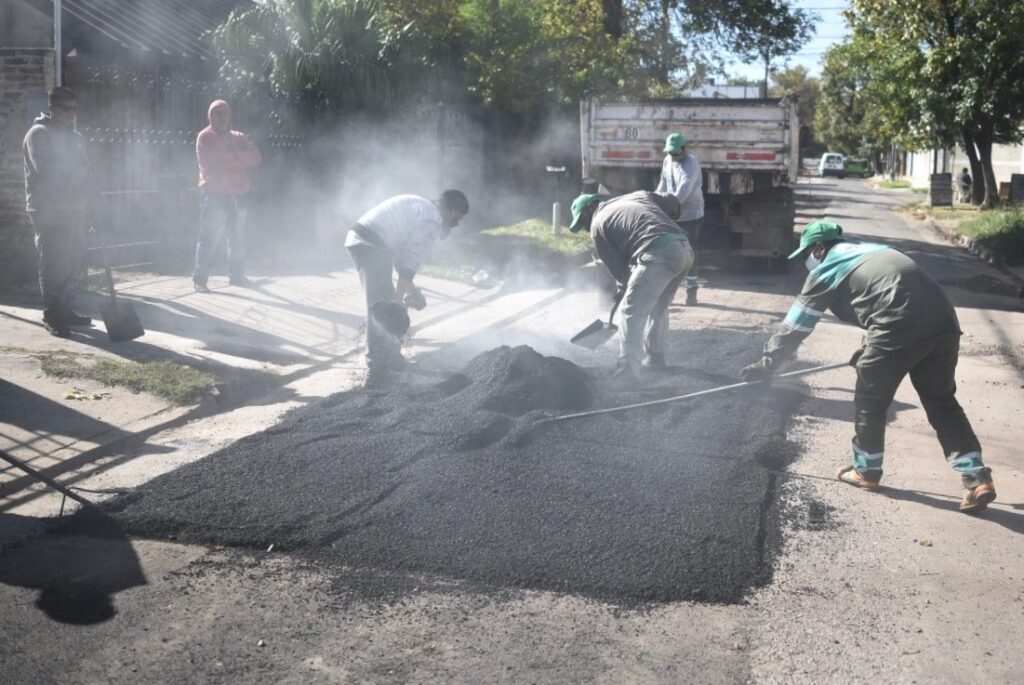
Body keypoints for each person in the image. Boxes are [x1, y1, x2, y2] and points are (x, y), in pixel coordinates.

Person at [740, 221, 996, 513]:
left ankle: (866, 472)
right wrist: (868, 349)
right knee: (942, 401)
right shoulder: (873, 251)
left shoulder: (827, 267)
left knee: (870, 401)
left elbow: (795, 326)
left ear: (820, 248)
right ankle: (977, 479)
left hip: (898, 327)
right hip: (945, 324)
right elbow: (889, 296)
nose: (806, 263)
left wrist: (767, 364)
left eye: (806, 255)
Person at [345, 190, 469, 386]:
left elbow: (401, 262)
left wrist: (410, 291)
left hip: (371, 243)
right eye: (456, 217)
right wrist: (396, 303)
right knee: (381, 307)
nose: (455, 224)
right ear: (450, 210)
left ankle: (392, 358)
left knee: (384, 301)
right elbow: (411, 261)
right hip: (369, 244)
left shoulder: (423, 209)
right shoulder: (431, 220)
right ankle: (377, 370)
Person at [569, 190, 694, 385]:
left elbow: (619, 271)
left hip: (658, 252)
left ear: (591, 208)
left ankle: (627, 370)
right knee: (659, 305)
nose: (586, 228)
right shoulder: (638, 196)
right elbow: (671, 202)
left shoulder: (598, 223)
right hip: (684, 249)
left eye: (583, 222)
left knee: (631, 309)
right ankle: (656, 356)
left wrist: (622, 287)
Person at [23, 87, 94, 337]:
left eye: (73, 109)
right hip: (47, 210)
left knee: (73, 261)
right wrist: (74, 177)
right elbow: (47, 171)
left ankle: (66, 308)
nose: (69, 114)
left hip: (75, 209)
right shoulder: (38, 134)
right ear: (52, 109)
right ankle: (53, 314)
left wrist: (87, 199)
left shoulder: (75, 138)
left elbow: (86, 170)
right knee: (54, 262)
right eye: (65, 109)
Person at [192, 99, 262, 292]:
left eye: (225, 114)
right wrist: (241, 158)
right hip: (215, 195)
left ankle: (236, 276)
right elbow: (223, 161)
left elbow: (256, 156)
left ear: (230, 116)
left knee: (237, 237)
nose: (222, 118)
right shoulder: (206, 137)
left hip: (238, 194)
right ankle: (200, 280)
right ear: (210, 116)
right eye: (218, 114)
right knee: (209, 237)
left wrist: (235, 156)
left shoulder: (237, 136)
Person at [655, 132, 704, 305]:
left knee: (690, 254)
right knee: (668, 252)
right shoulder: (668, 160)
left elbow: (684, 191)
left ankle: (691, 292)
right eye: (671, 152)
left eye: (677, 152)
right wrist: (655, 200)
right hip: (671, 213)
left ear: (685, 148)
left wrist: (666, 205)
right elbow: (663, 183)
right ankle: (667, 293)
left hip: (690, 215)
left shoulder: (690, 164)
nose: (674, 156)